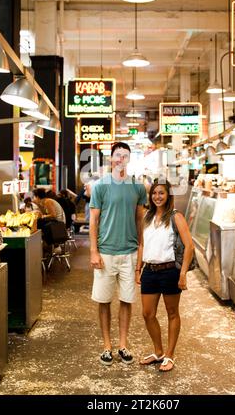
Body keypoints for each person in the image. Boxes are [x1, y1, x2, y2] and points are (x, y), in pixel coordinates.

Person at [89, 142, 147, 366]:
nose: (121, 159)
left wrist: (141, 254)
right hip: (106, 252)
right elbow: (93, 221)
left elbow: (139, 220)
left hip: (130, 252)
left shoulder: (138, 187)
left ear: (129, 159)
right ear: (111, 159)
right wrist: (94, 251)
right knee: (104, 301)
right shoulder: (101, 186)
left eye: (125, 156)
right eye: (117, 155)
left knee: (126, 300)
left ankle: (123, 345)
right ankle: (107, 346)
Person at [135, 179, 194, 372]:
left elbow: (189, 247)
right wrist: (138, 269)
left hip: (170, 271)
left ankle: (169, 355)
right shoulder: (147, 217)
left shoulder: (176, 217)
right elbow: (142, 245)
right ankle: (158, 352)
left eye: (161, 193)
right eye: (154, 193)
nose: (157, 197)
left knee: (172, 313)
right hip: (150, 272)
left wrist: (183, 273)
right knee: (147, 314)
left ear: (168, 195)